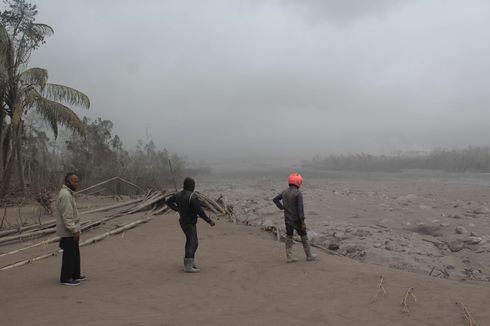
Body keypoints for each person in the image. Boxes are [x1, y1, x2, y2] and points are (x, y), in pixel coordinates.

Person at [166, 177, 215, 273]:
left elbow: (168, 202)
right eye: (194, 185)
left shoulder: (178, 194)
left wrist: (177, 208)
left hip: (184, 222)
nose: (194, 187)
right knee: (191, 242)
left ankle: (190, 262)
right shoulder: (192, 197)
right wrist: (209, 221)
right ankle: (188, 265)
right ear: (191, 185)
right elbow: (200, 211)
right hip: (189, 223)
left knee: (194, 242)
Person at [273, 173, 316, 263]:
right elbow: (300, 210)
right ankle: (309, 256)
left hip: (287, 219)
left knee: (289, 236)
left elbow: (275, 199)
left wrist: (281, 207)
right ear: (298, 182)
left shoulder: (284, 192)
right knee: (304, 236)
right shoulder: (298, 193)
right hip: (297, 219)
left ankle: (289, 257)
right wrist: (303, 222)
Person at [56, 172, 85, 285]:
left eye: (77, 181)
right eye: (74, 181)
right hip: (68, 231)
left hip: (71, 230)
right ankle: (66, 278)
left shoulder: (69, 193)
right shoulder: (65, 195)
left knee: (74, 254)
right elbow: (67, 217)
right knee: (69, 254)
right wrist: (74, 230)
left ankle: (75, 274)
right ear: (68, 182)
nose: (76, 183)